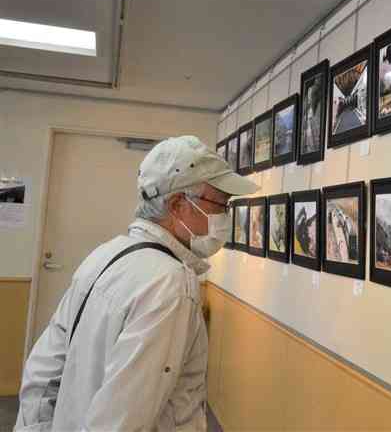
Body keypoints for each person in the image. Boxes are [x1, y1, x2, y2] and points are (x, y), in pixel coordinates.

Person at [15, 136, 258, 431]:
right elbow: (123, 419)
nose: (225, 216)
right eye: (221, 204)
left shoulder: (104, 255)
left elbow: (43, 372)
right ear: (179, 204)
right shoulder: (170, 283)